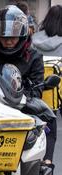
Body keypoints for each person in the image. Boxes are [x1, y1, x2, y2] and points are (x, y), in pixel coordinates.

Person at [0, 5, 44, 98]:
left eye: (13, 37)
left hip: (23, 109)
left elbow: (36, 92)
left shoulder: (34, 57)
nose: (9, 42)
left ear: (22, 36)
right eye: (4, 38)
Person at [31, 5, 62, 164]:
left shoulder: (35, 39)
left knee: (46, 127)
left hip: (42, 87)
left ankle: (45, 164)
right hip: (60, 87)